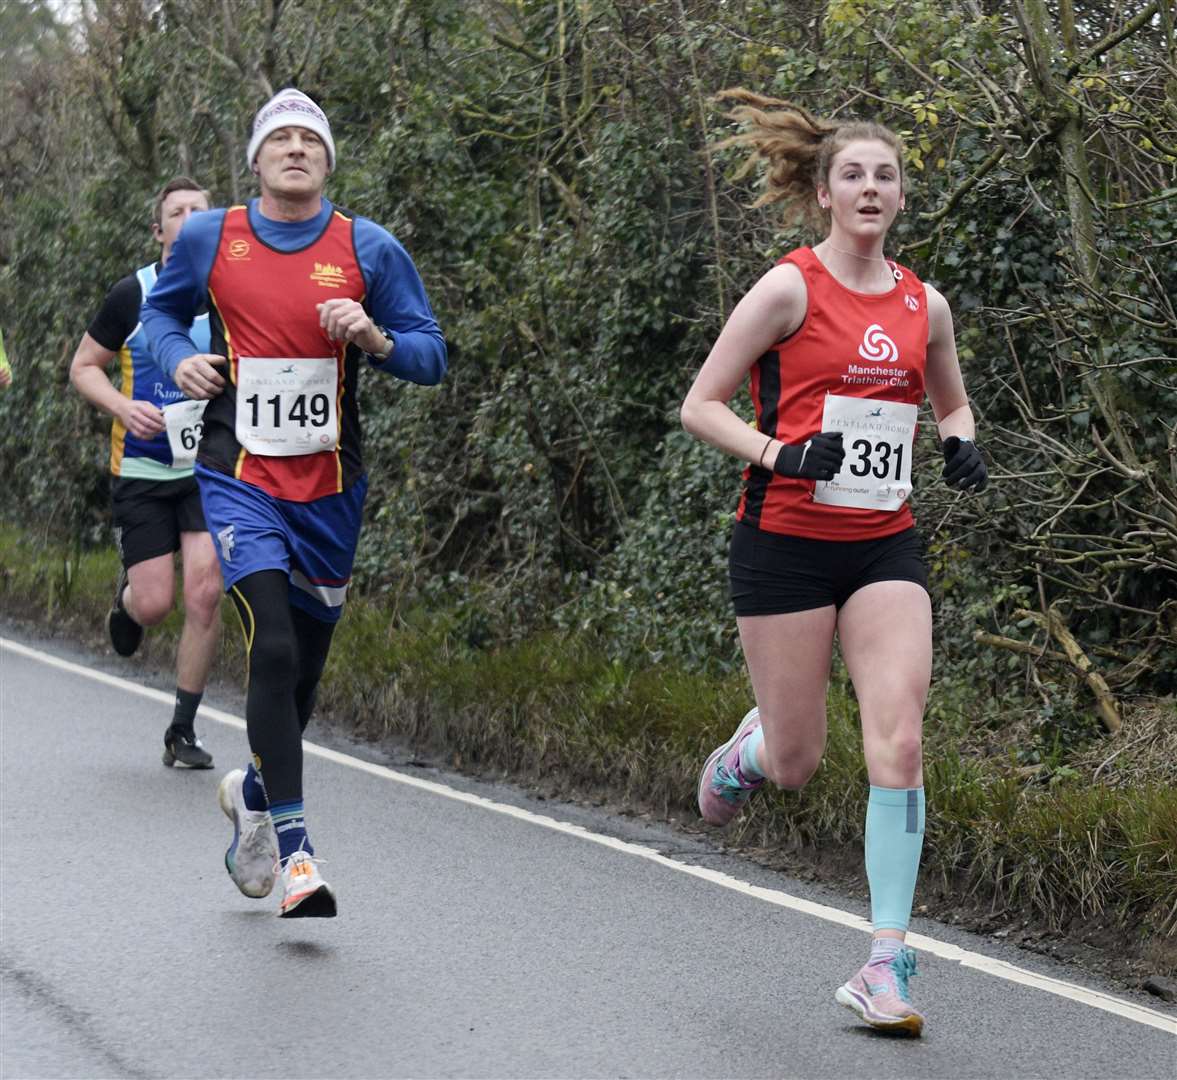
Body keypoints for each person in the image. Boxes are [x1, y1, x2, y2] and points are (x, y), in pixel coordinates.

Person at [681, 91, 988, 1037]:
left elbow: (949, 401)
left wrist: (958, 441)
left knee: (896, 740)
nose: (868, 187)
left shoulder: (921, 302)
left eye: (883, 175)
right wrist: (778, 453)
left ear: (899, 197)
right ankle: (751, 751)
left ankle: (884, 964)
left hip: (882, 547)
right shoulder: (787, 289)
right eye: (851, 173)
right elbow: (701, 404)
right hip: (782, 549)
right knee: (802, 759)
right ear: (823, 193)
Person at [142, 88, 447, 919]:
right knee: (270, 647)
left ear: (326, 159)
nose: (294, 149)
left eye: (308, 139)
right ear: (255, 159)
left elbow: (431, 355)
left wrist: (374, 337)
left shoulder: (367, 249)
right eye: (278, 138)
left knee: (302, 672)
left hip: (331, 489)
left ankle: (254, 792)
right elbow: (161, 319)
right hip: (236, 477)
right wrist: (178, 362)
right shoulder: (211, 236)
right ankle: (298, 854)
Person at [69, 177, 223, 770]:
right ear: (159, 231)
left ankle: (181, 730)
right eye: (175, 212)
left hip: (209, 469)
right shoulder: (131, 295)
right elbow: (84, 367)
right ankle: (128, 600)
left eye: (198, 211)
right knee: (157, 604)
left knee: (206, 591)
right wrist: (123, 407)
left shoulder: (230, 296)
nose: (186, 219)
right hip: (140, 470)